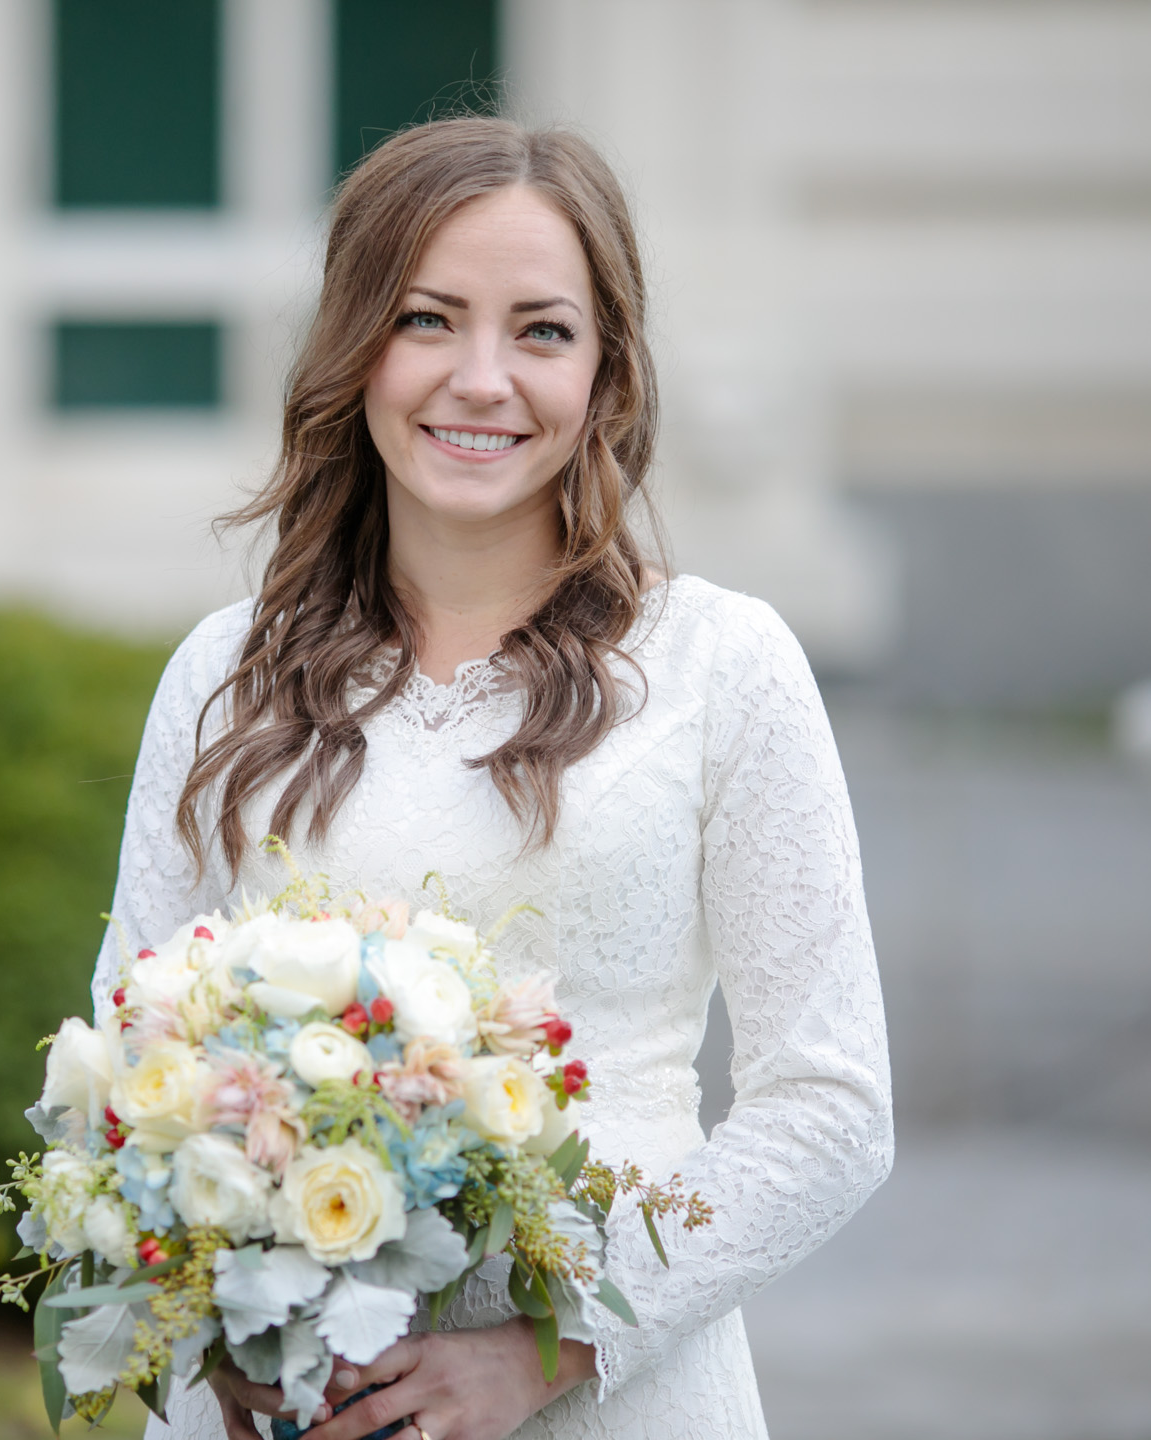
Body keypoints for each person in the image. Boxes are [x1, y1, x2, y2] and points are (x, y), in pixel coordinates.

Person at [92, 118, 892, 1440]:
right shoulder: (224, 674)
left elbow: (832, 1111)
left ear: (609, 373)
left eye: (541, 331)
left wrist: (550, 1346)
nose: (481, 379)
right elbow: (132, 1054)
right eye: (427, 319)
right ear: (355, 348)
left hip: (617, 1400)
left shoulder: (721, 667)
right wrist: (205, 1315)